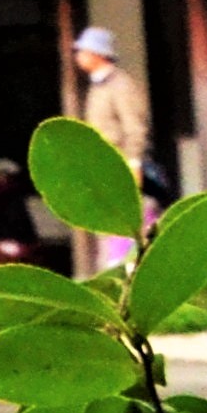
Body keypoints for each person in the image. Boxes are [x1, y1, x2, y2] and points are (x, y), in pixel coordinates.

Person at [64, 22, 155, 272]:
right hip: (103, 168)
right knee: (107, 227)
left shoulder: (121, 85)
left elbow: (135, 128)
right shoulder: (98, 86)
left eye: (83, 51)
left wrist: (133, 161)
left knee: (124, 227)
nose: (78, 57)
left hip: (121, 166)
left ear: (98, 54)